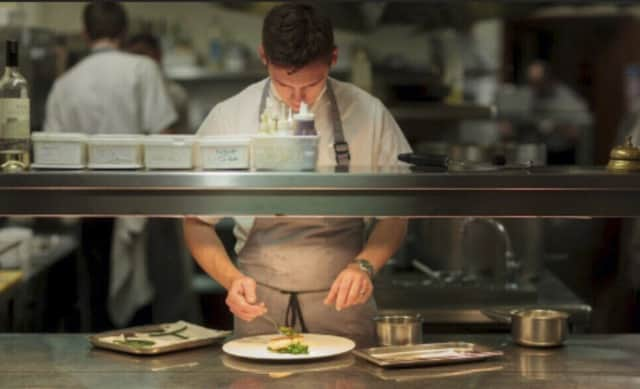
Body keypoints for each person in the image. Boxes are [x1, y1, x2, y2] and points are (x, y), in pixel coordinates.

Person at [183, 3, 411, 347]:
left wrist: (365, 266)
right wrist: (231, 280)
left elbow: (397, 212)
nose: (298, 100)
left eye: (312, 84)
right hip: (259, 308)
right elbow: (196, 222)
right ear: (264, 56)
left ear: (333, 58)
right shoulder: (229, 116)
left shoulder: (370, 113)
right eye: (284, 85)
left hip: (344, 306)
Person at [44, 1, 177, 330]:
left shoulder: (65, 84)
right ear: (124, 32)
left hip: (87, 209)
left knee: (96, 304)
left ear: (85, 34)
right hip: (141, 206)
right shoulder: (142, 69)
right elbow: (165, 139)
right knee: (145, 311)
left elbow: (51, 153)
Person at [498, 60, 592, 165]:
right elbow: (506, 126)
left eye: (538, 83)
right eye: (531, 83)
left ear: (549, 79)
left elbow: (576, 134)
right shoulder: (524, 94)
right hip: (529, 154)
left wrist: (555, 126)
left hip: (559, 155)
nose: (535, 88)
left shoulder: (568, 99)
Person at [125, 33, 192, 134]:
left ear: (158, 55)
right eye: (133, 56)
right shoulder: (127, 90)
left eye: (142, 54)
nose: (139, 61)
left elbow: (165, 133)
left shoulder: (175, 93)